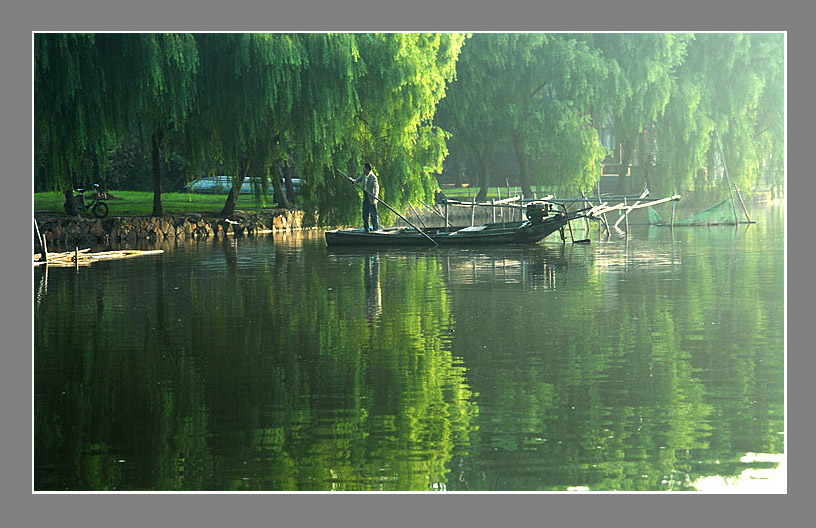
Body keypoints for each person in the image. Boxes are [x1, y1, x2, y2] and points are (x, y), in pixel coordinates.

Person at [349, 162, 380, 232]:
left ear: (367, 169)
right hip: (366, 197)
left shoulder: (373, 177)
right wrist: (352, 180)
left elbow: (376, 187)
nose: (363, 169)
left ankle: (376, 229)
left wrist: (375, 195)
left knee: (373, 215)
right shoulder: (363, 175)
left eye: (364, 168)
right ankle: (366, 229)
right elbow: (357, 180)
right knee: (365, 214)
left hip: (372, 198)